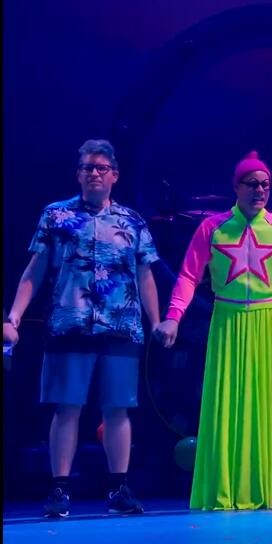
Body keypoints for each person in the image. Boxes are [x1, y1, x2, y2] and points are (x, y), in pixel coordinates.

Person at [2, 139, 159, 518]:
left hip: (120, 326)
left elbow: (145, 274)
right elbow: (35, 268)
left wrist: (157, 322)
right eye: (88, 167)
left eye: (101, 168)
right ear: (78, 174)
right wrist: (13, 317)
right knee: (67, 407)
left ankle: (119, 488)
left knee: (118, 408)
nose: (94, 174)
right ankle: (59, 488)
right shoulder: (56, 215)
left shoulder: (132, 221)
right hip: (69, 323)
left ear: (115, 175)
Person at [155, 151, 272, 510]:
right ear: (236, 186)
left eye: (266, 185)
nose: (260, 190)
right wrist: (173, 317)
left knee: (268, 405)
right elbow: (188, 276)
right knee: (225, 404)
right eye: (252, 184)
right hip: (226, 323)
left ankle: (269, 485)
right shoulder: (212, 228)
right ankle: (225, 485)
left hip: (267, 322)